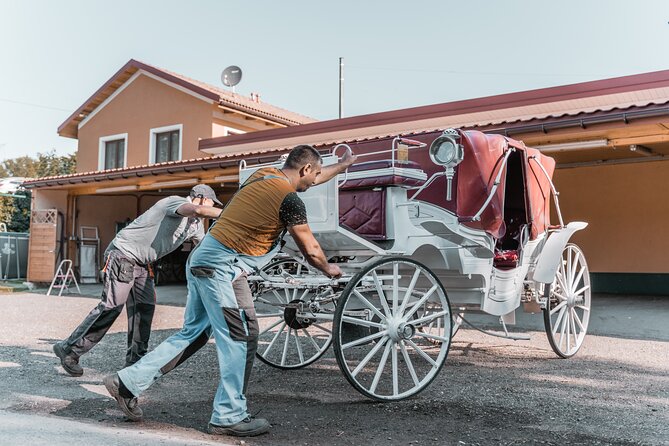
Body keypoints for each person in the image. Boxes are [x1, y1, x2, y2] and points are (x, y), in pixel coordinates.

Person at [103, 145, 356, 437]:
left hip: (205, 260)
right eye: (313, 176)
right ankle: (228, 416)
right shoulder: (290, 201)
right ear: (305, 170)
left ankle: (127, 383)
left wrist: (344, 165)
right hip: (222, 268)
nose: (314, 182)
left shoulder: (263, 175)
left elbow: (319, 175)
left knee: (195, 333)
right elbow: (311, 250)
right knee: (240, 336)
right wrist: (331, 270)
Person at [53, 184, 224, 377]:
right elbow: (198, 209)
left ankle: (134, 363)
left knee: (144, 308)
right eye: (212, 202)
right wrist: (227, 214)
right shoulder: (174, 202)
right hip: (123, 254)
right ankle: (69, 349)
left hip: (142, 263)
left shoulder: (195, 225)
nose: (212, 206)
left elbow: (203, 247)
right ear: (200, 197)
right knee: (112, 306)